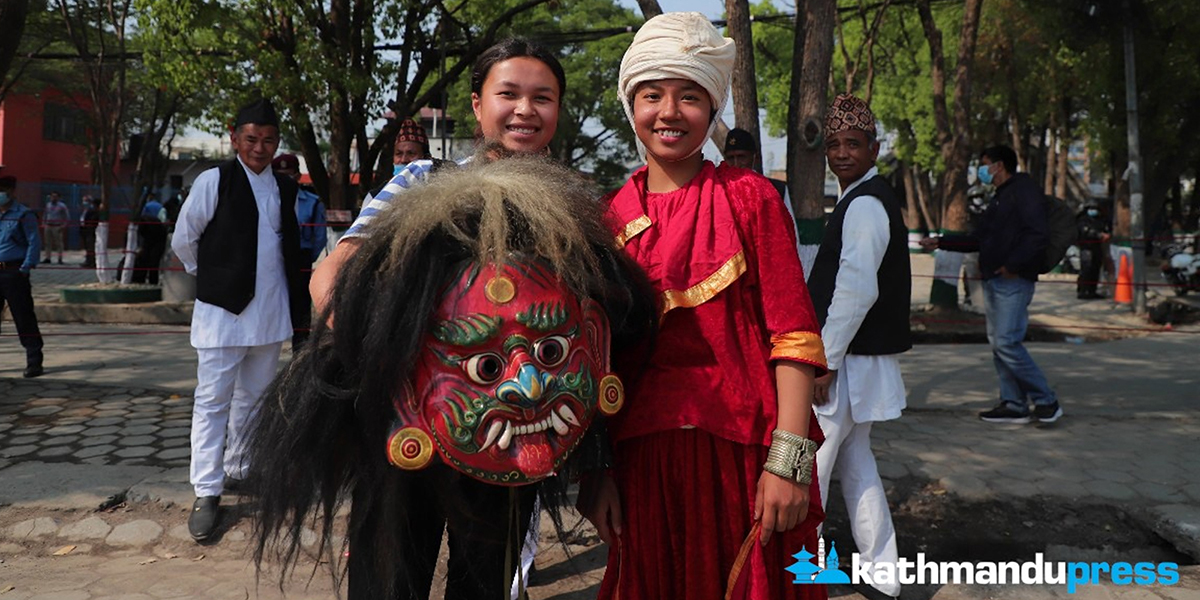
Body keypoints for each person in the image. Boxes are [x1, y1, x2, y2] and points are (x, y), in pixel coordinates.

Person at [297, 38, 578, 599]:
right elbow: (332, 274)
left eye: (542, 97)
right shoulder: (421, 180)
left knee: (485, 586)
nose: (525, 109)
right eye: (509, 93)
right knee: (388, 582)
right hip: (408, 430)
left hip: (509, 432)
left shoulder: (573, 208)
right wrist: (365, 353)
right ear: (477, 105)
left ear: (557, 111)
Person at [581, 13, 828, 599]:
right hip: (641, 463)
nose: (669, 112)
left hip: (745, 456)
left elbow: (792, 333)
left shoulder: (751, 199)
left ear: (713, 108)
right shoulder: (605, 217)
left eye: (689, 96)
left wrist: (788, 462)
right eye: (652, 95)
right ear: (630, 105)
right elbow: (594, 360)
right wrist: (596, 470)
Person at [170, 97, 308, 542]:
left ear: (277, 142)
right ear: (235, 139)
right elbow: (184, 240)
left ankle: (241, 467)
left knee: (254, 398)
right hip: (221, 313)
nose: (260, 148)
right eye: (251, 139)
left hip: (270, 312)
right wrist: (213, 277)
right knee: (212, 402)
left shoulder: (286, 188)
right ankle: (206, 490)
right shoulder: (215, 180)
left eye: (268, 140)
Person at [807, 94, 910, 599]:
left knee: (809, 470)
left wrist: (821, 360)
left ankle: (801, 578)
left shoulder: (866, 203)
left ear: (874, 148)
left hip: (844, 362)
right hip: (856, 361)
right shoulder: (860, 198)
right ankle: (884, 576)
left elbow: (855, 290)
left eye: (853, 144)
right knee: (855, 463)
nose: (842, 153)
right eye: (834, 145)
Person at [920, 144, 1060, 424]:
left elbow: (1037, 235)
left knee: (1007, 343)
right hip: (996, 279)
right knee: (999, 343)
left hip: (1013, 280)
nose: (981, 170)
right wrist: (944, 242)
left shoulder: (1024, 192)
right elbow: (981, 239)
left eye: (985, 164)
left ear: (999, 165)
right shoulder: (1000, 196)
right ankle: (1013, 403)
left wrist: (1013, 266)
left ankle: (1047, 400)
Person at [270, 153, 326, 346]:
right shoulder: (266, 201)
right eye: (279, 174)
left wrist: (307, 257)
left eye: (288, 175)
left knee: (300, 307)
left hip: (300, 259)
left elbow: (319, 237)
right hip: (272, 258)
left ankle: (299, 354)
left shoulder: (312, 202)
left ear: (297, 176)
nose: (284, 179)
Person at [0, 176, 45, 378]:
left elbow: (34, 242)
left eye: (3, 190)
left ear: (12, 192)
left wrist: (25, 268)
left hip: (13, 271)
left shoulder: (23, 214)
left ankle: (34, 360)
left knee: (23, 316)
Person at [1075, 202, 1110, 299]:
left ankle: (1092, 291)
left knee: (1095, 269)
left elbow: (1105, 228)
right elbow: (1085, 231)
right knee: (1086, 269)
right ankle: (1083, 291)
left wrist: (1105, 234)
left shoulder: (1099, 219)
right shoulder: (1083, 219)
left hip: (1097, 246)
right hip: (1086, 247)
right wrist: (1099, 235)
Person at [132, 193, 168, 285]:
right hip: (159, 237)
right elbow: (163, 220)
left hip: (155, 237)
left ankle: (142, 280)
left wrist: (140, 247)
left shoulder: (144, 214)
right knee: (153, 263)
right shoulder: (160, 207)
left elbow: (141, 235)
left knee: (145, 260)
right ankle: (153, 282)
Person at [41, 192, 68, 265]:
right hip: (48, 225)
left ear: (58, 198)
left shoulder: (62, 206)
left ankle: (60, 258)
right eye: (52, 196)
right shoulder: (48, 205)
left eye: (55, 197)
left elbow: (66, 216)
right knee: (47, 243)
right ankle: (48, 258)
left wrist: (64, 225)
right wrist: (43, 223)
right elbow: (45, 214)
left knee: (59, 243)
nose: (53, 198)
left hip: (57, 226)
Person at [79, 196, 99, 268]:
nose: (84, 203)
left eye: (86, 201)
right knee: (87, 247)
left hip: (90, 231)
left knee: (90, 246)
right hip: (84, 230)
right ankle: (88, 261)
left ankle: (91, 262)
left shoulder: (92, 210)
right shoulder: (84, 210)